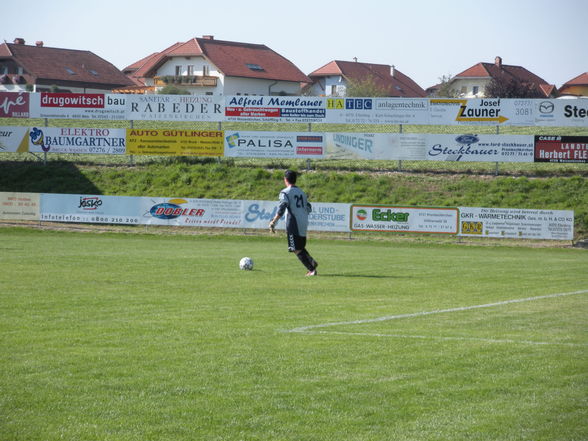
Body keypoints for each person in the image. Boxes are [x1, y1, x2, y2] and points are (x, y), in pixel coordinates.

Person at [268, 170, 318, 276]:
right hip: (303, 222)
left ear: (285, 180)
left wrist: (274, 221)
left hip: (293, 223)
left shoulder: (285, 192)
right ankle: (311, 262)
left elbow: (282, 208)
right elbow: (309, 208)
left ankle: (311, 269)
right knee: (299, 246)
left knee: (295, 248)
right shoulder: (302, 192)